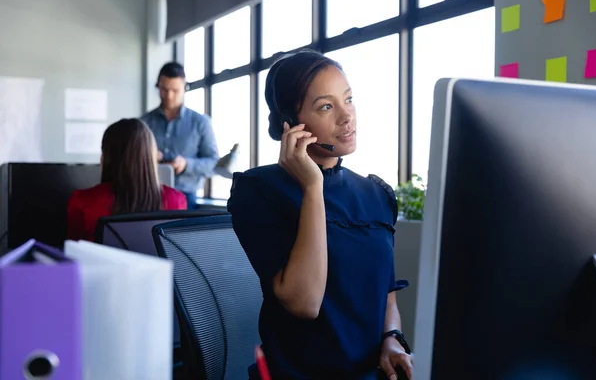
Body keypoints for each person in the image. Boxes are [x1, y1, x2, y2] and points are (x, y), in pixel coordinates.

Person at [227, 50, 413, 380]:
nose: (347, 116)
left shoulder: (375, 195)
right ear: (291, 123)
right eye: (326, 106)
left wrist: (392, 339)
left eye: (349, 99)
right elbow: (304, 302)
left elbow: (386, 299)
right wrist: (313, 187)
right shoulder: (258, 191)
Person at [67, 118, 187, 241]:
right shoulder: (177, 201)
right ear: (151, 157)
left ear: (106, 156)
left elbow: (73, 252)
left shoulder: (82, 201)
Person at [142, 62, 220, 208]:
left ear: (185, 88)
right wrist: (147, 156)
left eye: (175, 90)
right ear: (158, 86)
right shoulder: (143, 122)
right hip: (149, 194)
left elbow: (215, 164)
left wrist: (186, 164)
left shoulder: (200, 122)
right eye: (164, 90)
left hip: (186, 198)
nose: (169, 96)